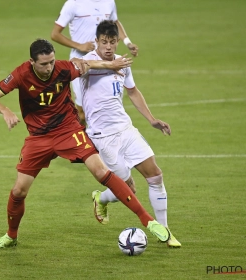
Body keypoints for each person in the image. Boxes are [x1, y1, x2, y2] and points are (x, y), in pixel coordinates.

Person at [0, 38, 170, 249]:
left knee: (101, 172)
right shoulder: (20, 74)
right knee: (19, 191)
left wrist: (111, 64)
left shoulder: (62, 69)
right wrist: (5, 110)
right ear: (32, 62)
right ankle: (11, 236)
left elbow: (87, 64)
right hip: (39, 138)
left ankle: (148, 221)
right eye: (44, 64)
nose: (49, 67)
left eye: (51, 61)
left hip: (68, 131)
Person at [77, 20, 181, 247]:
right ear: (96, 42)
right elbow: (77, 64)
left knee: (155, 176)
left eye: (112, 42)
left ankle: (165, 231)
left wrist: (152, 119)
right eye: (103, 42)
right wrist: (110, 66)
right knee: (128, 189)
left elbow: (132, 92)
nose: (108, 47)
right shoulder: (87, 62)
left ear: (116, 41)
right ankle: (101, 197)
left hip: (126, 129)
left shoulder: (123, 63)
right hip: (103, 137)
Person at [50, 0, 139, 123]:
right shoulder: (73, 4)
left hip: (105, 60)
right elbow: (55, 34)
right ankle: (81, 141)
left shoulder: (109, 2)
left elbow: (114, 23)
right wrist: (79, 46)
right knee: (81, 113)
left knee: (103, 109)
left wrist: (127, 42)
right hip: (82, 64)